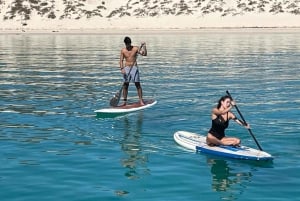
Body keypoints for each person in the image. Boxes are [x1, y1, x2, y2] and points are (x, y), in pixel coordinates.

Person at [119, 36, 147, 106]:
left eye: (129, 44)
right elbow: (121, 60)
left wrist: (144, 46)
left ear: (130, 43)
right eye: (127, 44)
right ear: (125, 44)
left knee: (137, 84)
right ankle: (125, 102)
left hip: (134, 68)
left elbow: (144, 54)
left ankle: (141, 100)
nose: (128, 46)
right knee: (125, 85)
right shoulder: (123, 50)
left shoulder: (135, 48)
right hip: (126, 68)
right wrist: (122, 69)